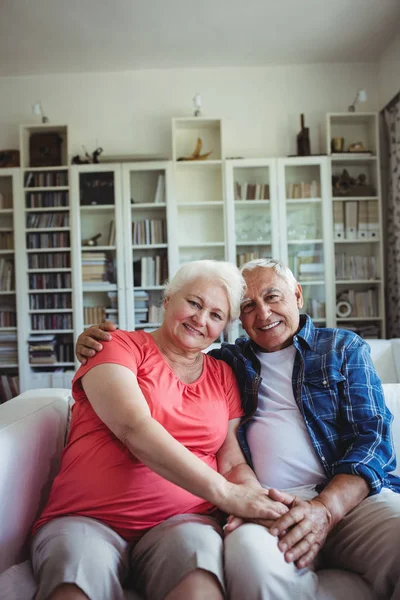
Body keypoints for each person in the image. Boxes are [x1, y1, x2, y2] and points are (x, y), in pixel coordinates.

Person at [78, 258, 400, 600]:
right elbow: (172, 347)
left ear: (297, 295)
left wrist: (325, 509)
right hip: (270, 504)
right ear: (238, 320)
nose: (263, 314)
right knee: (249, 558)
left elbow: (375, 439)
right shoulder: (229, 362)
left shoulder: (342, 348)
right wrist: (90, 341)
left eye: (273, 297)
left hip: (349, 501)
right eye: (248, 306)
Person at [31, 259, 293, 600]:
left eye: (215, 315)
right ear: (167, 299)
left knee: (199, 582)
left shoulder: (223, 374)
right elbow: (134, 428)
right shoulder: (116, 346)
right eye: (194, 303)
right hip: (87, 518)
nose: (201, 319)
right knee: (75, 579)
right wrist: (226, 495)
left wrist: (256, 500)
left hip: (182, 522)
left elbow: (231, 461)